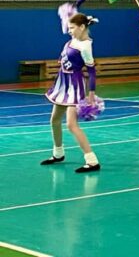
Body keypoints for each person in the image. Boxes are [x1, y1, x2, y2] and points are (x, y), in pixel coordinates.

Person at [42, 12, 101, 173]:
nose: (69, 31)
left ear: (81, 27)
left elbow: (92, 71)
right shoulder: (75, 39)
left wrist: (91, 94)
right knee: (55, 120)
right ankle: (58, 154)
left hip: (74, 86)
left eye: (72, 28)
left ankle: (92, 161)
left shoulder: (86, 46)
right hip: (62, 84)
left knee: (71, 124)